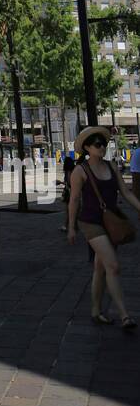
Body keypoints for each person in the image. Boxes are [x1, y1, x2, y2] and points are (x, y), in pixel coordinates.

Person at [68, 125, 140, 330]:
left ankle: (96, 310)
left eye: (104, 144)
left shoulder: (111, 167)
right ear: (87, 148)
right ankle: (124, 315)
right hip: (90, 222)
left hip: (111, 222)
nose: (102, 148)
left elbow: (126, 193)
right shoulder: (80, 171)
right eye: (97, 144)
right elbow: (74, 201)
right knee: (113, 266)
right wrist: (72, 227)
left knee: (100, 269)